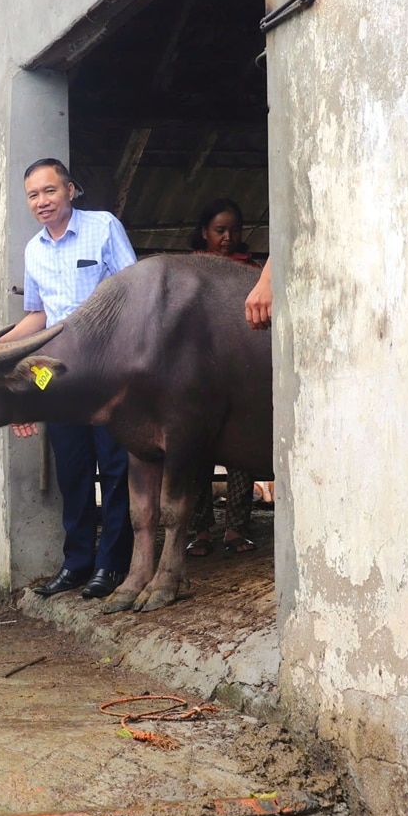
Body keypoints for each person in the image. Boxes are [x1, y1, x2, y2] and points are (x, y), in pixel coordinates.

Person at [2, 159, 136, 600]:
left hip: (106, 368)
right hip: (57, 374)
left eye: (49, 191)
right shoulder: (33, 249)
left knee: (115, 468)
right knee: (72, 470)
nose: (41, 201)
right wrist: (2, 353)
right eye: (33, 195)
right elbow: (38, 316)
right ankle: (77, 563)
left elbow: (133, 292)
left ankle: (112, 565)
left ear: (70, 190)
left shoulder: (103, 227)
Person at [184, 197, 260, 556]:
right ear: (204, 233)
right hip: (197, 378)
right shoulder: (187, 274)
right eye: (219, 230)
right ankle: (200, 530)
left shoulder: (256, 273)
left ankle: (236, 529)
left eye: (234, 230)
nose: (228, 237)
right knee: (196, 454)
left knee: (241, 455)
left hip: (240, 376)